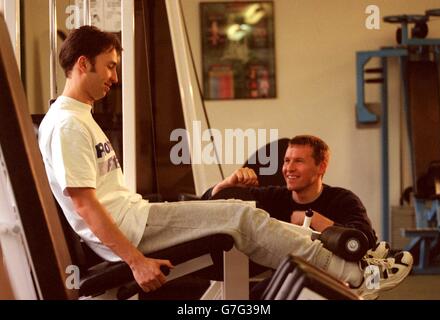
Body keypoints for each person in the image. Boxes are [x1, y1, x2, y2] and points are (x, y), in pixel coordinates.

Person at [38, 26, 410, 299]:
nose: (114, 78)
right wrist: (135, 262)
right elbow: (84, 204)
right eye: (110, 67)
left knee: (239, 210)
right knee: (241, 218)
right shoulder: (68, 124)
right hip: (132, 230)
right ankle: (356, 273)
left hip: (137, 218)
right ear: (83, 63)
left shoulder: (79, 118)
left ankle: (353, 258)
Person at [202, 135, 387, 256]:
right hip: (286, 276)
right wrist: (228, 184)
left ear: (321, 166)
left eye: (298, 161)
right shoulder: (274, 196)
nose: (289, 168)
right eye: (286, 161)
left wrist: (312, 219)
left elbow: (365, 239)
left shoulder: (343, 200)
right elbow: (210, 204)